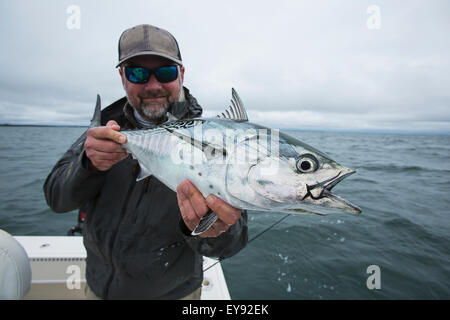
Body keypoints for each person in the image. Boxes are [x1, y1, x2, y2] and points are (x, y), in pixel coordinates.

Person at [43, 24, 248, 300]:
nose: (153, 86)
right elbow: (56, 199)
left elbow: (229, 246)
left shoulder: (213, 139)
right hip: (97, 287)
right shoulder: (103, 131)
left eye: (165, 72)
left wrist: (215, 229)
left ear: (182, 74)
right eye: (137, 73)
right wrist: (87, 166)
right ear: (122, 77)